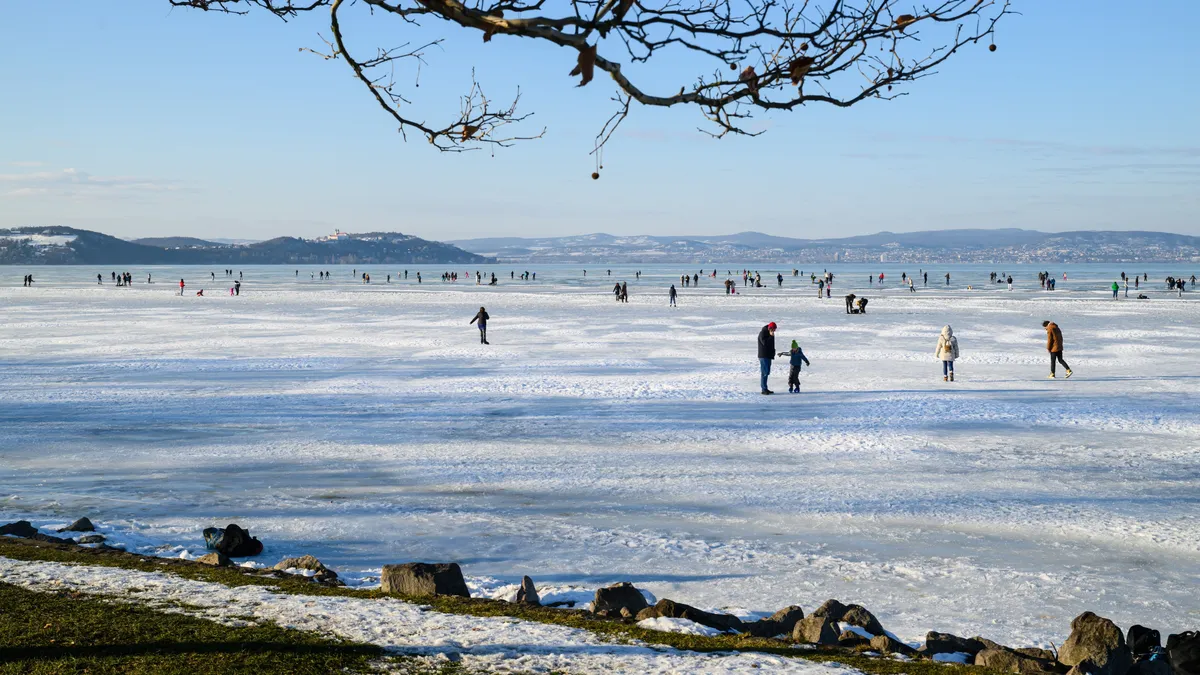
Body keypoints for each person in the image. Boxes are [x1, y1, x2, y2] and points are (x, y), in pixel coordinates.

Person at [757, 322, 778, 395]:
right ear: (770, 328)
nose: (774, 331)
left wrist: (773, 352)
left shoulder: (770, 333)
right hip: (764, 356)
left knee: (767, 372)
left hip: (768, 356)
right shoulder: (762, 333)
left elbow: (771, 344)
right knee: (764, 372)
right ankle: (763, 389)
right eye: (773, 329)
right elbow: (765, 343)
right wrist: (771, 336)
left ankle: (765, 388)